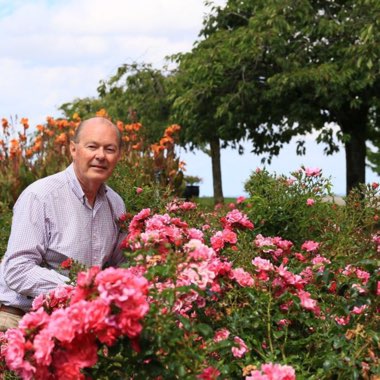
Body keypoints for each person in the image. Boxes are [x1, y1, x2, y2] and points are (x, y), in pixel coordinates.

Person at [0, 117, 126, 331]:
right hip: (18, 317)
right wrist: (79, 290)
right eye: (92, 146)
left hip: (73, 320)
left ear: (118, 156)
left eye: (110, 149)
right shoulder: (41, 196)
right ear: (73, 149)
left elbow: (119, 266)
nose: (100, 156)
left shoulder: (115, 204)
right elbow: (17, 270)